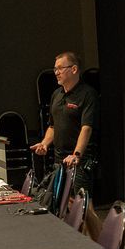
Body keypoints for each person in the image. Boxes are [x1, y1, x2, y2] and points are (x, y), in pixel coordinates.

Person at [33, 50, 96, 181]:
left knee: (81, 198)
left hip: (79, 159)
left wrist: (76, 155)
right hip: (59, 159)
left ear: (74, 69)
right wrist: (44, 143)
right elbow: (53, 126)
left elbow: (87, 128)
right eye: (55, 69)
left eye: (60, 68)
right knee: (61, 200)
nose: (56, 73)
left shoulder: (87, 94)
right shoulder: (56, 95)